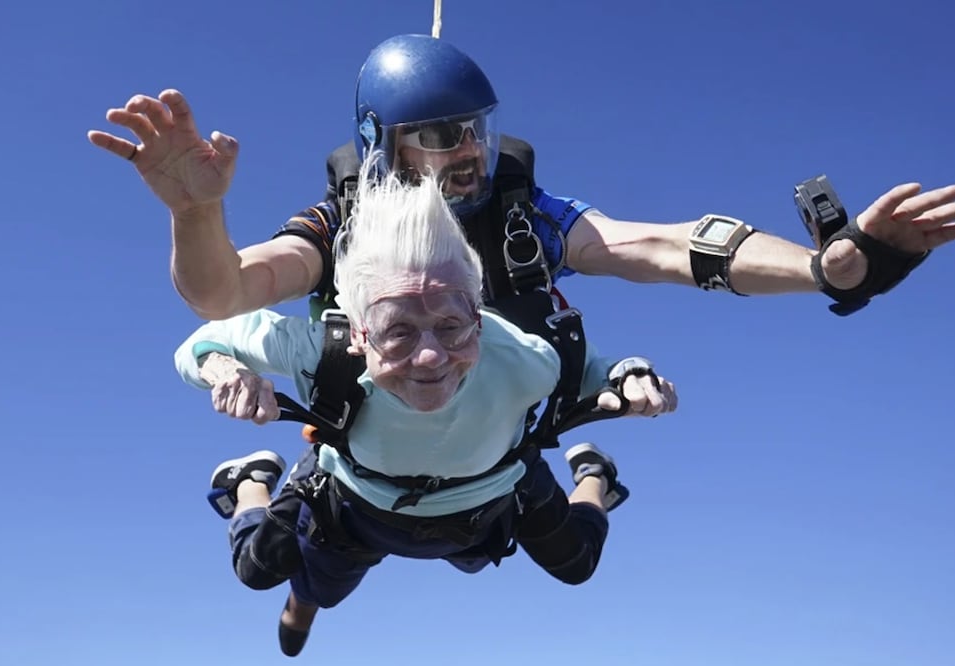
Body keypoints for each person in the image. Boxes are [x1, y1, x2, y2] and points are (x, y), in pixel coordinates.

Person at [89, 34, 955, 326]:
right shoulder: (343, 218)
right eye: (436, 137)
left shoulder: (528, 215)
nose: (467, 153)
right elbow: (226, 293)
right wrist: (198, 217)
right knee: (324, 557)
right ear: (380, 148)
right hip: (368, 458)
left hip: (491, 458)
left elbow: (669, 248)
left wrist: (829, 269)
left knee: (559, 554)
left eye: (473, 131)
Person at [173, 162, 678, 657]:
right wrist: (225, 370)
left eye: (452, 324)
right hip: (357, 501)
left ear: (478, 318)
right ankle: (252, 484)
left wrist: (631, 375)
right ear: (357, 334)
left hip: (489, 498)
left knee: (577, 563)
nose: (432, 356)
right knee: (262, 570)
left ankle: (595, 477)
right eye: (398, 332)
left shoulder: (525, 356)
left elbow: (589, 365)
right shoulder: (319, 350)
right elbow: (203, 341)